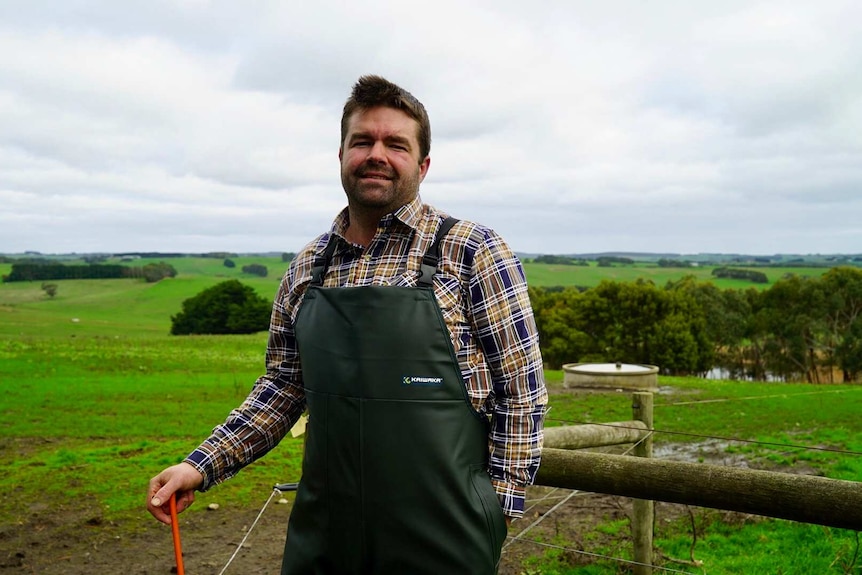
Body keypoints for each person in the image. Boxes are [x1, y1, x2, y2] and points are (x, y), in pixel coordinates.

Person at [147, 75, 547, 574]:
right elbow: (281, 388)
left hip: (446, 542)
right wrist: (199, 466)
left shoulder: (472, 252)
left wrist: (497, 513)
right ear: (341, 156)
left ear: (422, 165)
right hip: (325, 542)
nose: (376, 154)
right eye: (363, 141)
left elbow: (523, 395)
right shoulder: (308, 265)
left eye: (395, 144)